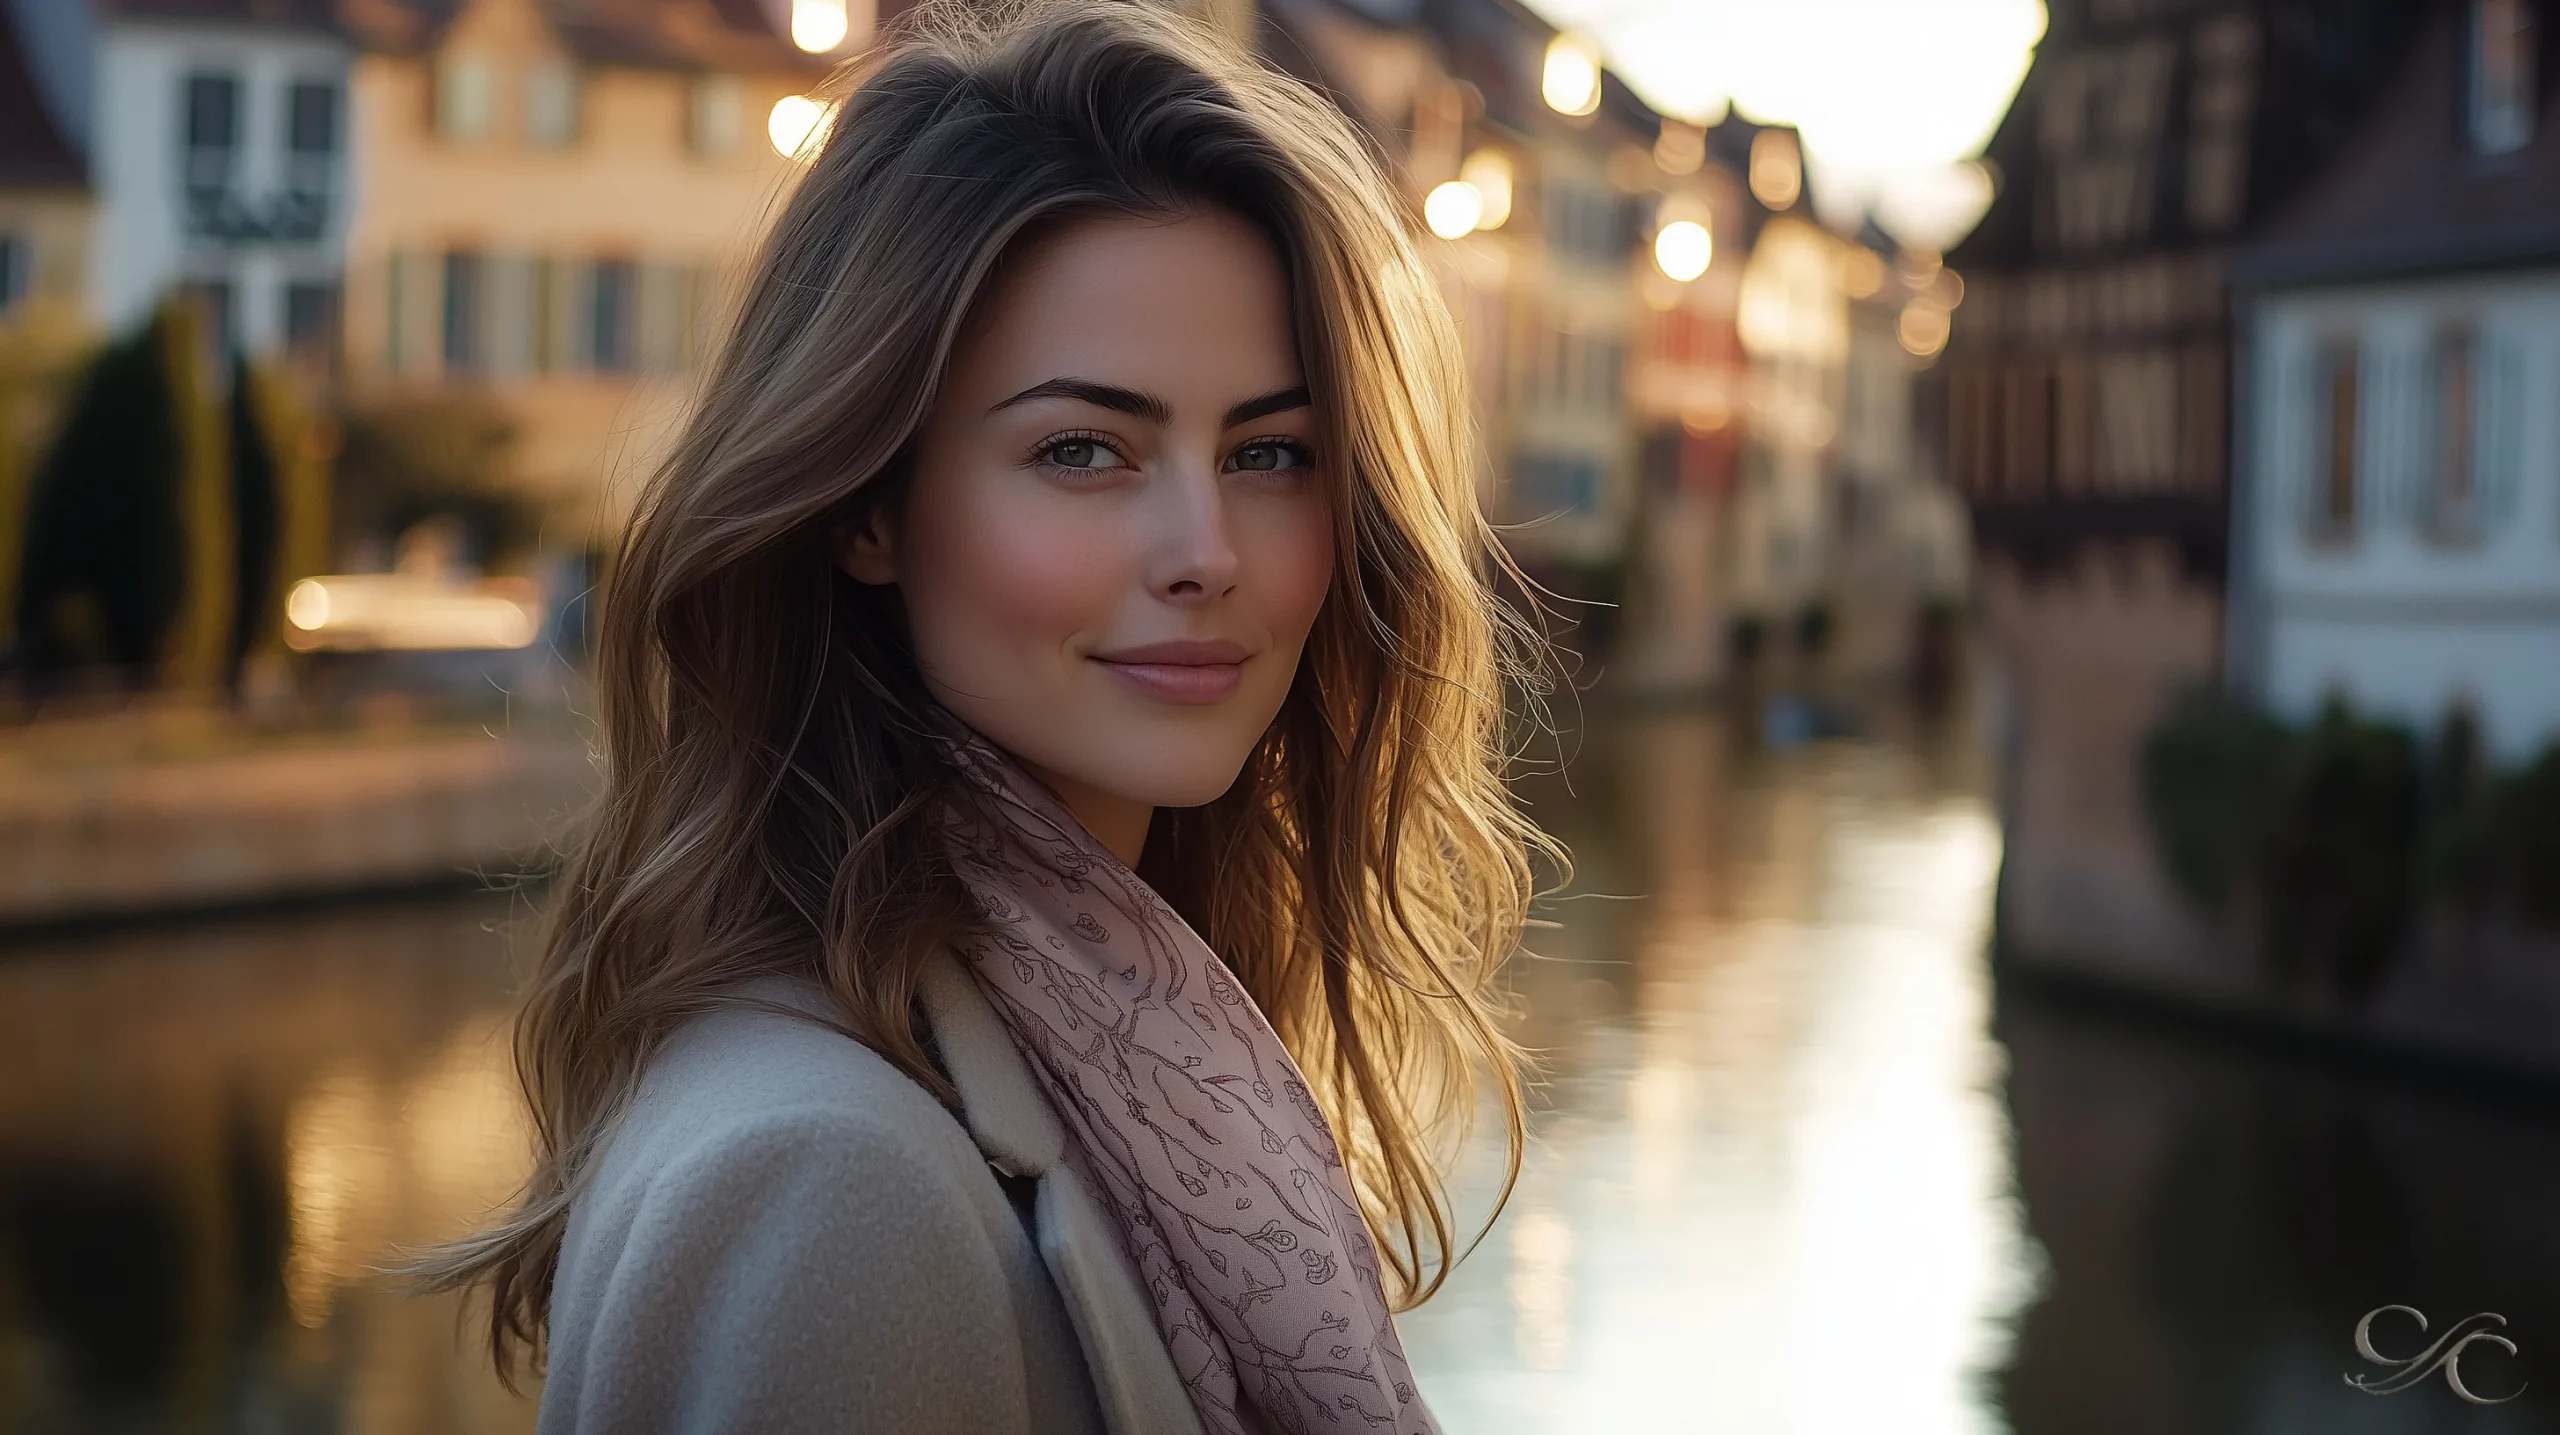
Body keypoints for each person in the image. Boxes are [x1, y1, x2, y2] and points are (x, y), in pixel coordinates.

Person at [413, 2, 1558, 1430]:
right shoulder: (831, 1186)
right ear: (867, 507)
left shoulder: (1109, 1069)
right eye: (1084, 449)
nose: (1205, 550)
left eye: (1271, 453)